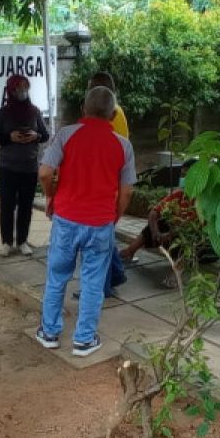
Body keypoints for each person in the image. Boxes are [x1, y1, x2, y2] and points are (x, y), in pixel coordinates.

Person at [35, 86, 137, 357]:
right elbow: (127, 190)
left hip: (66, 219)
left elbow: (45, 172)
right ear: (114, 114)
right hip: (100, 223)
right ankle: (84, 340)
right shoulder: (123, 145)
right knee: (93, 282)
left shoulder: (65, 135)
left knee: (57, 276)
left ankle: (49, 332)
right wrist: (115, 215)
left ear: (83, 109)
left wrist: (51, 197)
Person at [0, 74, 50, 257]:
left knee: (25, 205)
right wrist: (10, 137)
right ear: (11, 90)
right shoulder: (2, 113)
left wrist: (35, 136)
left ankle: (22, 241)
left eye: (25, 87)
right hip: (7, 167)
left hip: (29, 167)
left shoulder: (34, 111)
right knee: (7, 205)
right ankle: (7, 242)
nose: (22, 92)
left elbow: (44, 135)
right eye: (18, 88)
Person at [87, 72, 129, 297]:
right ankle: (116, 273)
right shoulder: (116, 113)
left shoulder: (114, 115)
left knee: (98, 239)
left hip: (106, 185)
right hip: (109, 183)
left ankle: (102, 287)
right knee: (104, 235)